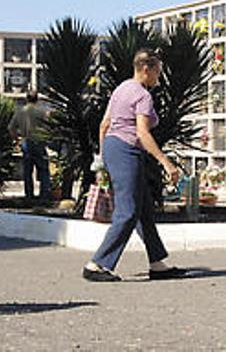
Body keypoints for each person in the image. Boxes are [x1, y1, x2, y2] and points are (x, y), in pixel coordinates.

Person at [82, 49, 186, 282]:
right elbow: (142, 133)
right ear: (146, 69)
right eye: (157, 70)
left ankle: (157, 263)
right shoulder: (142, 95)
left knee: (143, 209)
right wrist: (167, 163)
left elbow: (104, 124)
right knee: (128, 211)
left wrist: (102, 158)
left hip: (112, 147)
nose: (159, 76)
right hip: (126, 150)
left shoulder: (121, 88)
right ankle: (97, 264)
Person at [8, 90, 52, 199]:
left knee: (28, 171)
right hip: (39, 142)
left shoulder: (20, 112)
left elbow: (11, 128)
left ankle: (29, 195)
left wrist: (16, 139)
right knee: (43, 169)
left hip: (26, 142)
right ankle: (44, 194)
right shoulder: (42, 112)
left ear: (26, 99)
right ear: (37, 99)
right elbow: (50, 126)